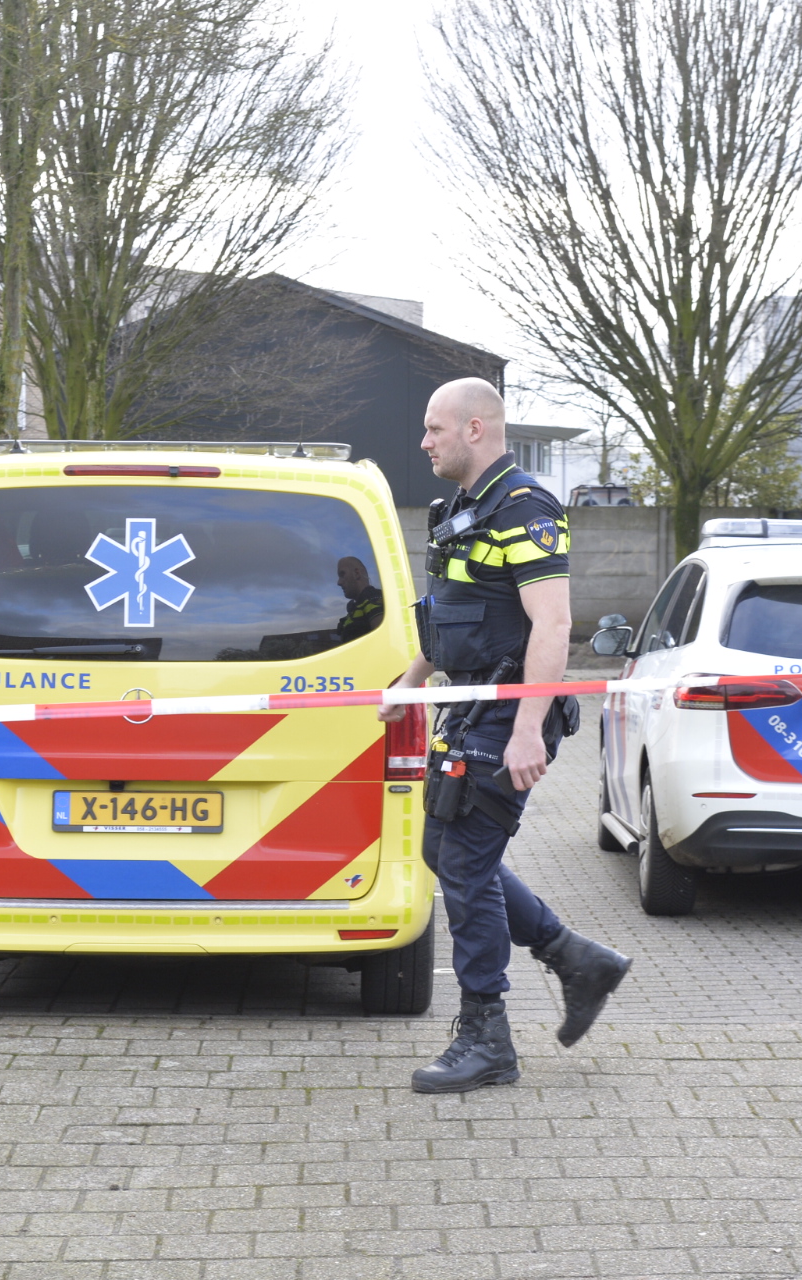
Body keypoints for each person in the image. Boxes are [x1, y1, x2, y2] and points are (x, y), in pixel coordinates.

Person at [378, 377, 631, 1094]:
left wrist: (527, 729)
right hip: (472, 707)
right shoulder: (461, 509)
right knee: (444, 848)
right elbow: (453, 609)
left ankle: (487, 1037)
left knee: (461, 862)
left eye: (434, 429)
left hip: (507, 716)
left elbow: (552, 625)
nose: (424, 442)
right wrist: (412, 678)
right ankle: (575, 957)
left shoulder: (525, 508)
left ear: (477, 429)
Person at [335, 556, 384, 643]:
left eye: (342, 574)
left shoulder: (372, 598)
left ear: (357, 573)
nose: (339, 582)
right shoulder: (355, 607)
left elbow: (384, 639)